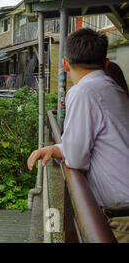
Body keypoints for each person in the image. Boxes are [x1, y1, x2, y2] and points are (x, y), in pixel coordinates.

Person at [27, 28, 129, 243]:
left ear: (65, 64)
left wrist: (64, 150)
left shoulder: (83, 91)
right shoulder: (114, 89)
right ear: (106, 63)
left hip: (123, 216)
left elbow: (76, 158)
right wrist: (57, 149)